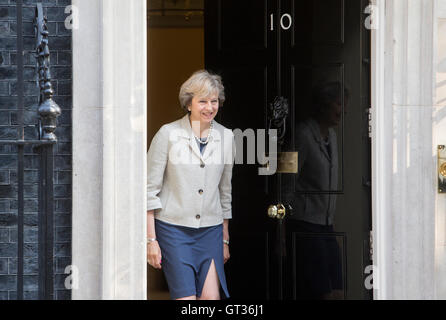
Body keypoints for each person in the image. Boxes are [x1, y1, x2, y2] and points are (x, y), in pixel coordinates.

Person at [146, 70, 235, 300]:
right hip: (173, 230)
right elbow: (148, 190)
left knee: (210, 299)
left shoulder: (226, 137)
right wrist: (151, 240)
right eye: (202, 101)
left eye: (214, 101)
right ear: (189, 104)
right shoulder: (168, 134)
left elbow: (225, 192)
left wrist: (224, 239)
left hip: (211, 231)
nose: (209, 107)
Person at [285, 81, 349, 299]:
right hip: (305, 224)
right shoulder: (301, 134)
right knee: (321, 291)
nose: (343, 110)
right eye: (339, 104)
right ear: (324, 105)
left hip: (326, 226)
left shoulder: (331, 136)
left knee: (338, 288)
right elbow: (285, 180)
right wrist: (279, 234)